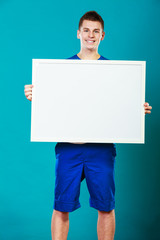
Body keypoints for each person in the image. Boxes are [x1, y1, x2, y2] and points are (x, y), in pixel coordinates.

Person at [24, 11, 152, 240]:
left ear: (102, 35)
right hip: (69, 148)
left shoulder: (116, 73)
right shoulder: (59, 70)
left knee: (106, 207)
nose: (90, 35)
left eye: (95, 31)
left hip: (100, 149)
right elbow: (52, 104)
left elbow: (120, 107)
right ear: (78, 33)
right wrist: (36, 94)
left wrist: (136, 109)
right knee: (61, 206)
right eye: (86, 30)